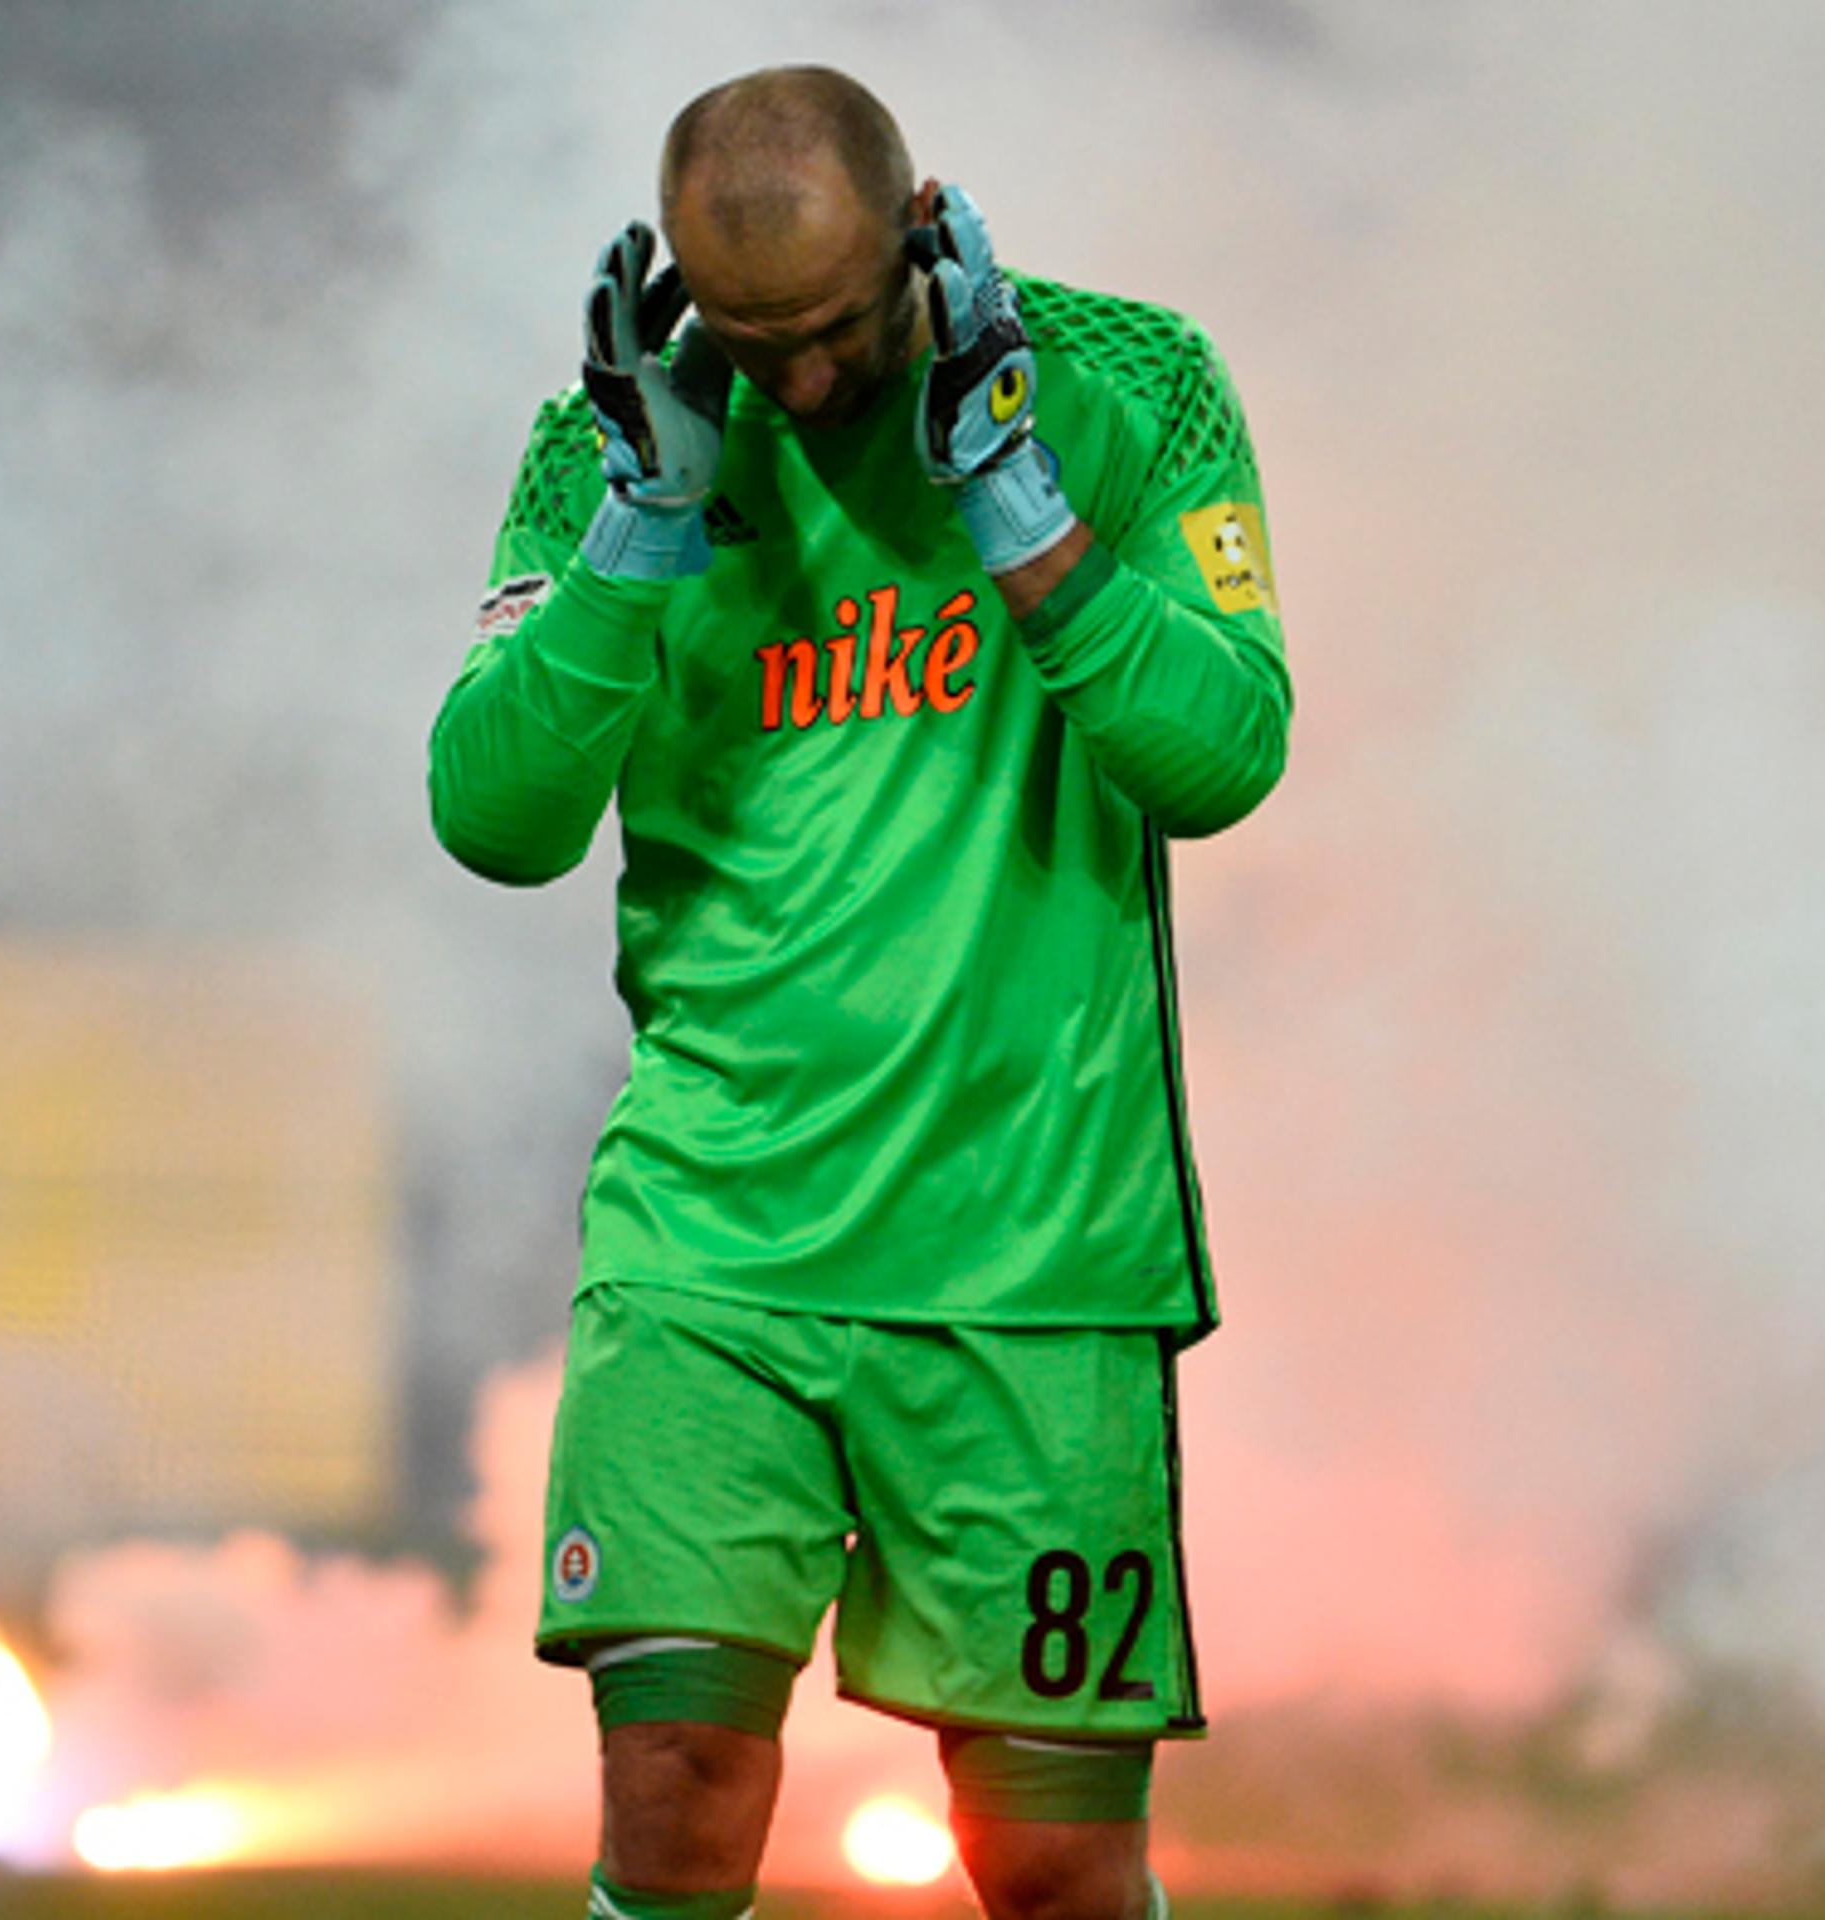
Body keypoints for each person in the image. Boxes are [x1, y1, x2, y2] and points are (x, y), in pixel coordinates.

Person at [427, 64, 1289, 1920]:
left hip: (1033, 1262)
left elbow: (1224, 759)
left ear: (923, 237)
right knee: (675, 1790)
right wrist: (638, 535)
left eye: (831, 335)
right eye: (754, 343)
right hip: (710, 1240)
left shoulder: (1131, 389)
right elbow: (491, 816)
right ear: (676, 299)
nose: (798, 388)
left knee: (1053, 1864)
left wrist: (1027, 524)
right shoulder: (619, 441)